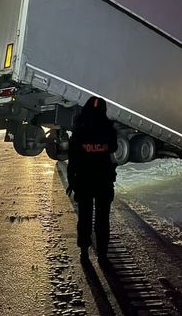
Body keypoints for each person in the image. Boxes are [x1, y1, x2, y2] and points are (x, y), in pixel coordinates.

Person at [66, 96, 118, 264]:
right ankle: (102, 254)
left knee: (85, 217)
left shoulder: (80, 131)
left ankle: (84, 252)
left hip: (84, 181)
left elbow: (72, 158)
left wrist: (71, 181)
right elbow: (114, 147)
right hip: (103, 180)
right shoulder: (108, 129)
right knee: (103, 219)